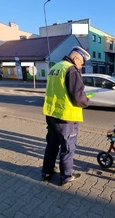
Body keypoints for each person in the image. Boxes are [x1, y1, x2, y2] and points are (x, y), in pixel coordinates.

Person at [42, 46, 91, 185]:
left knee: (52, 145)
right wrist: (87, 101)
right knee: (68, 147)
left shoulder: (55, 67)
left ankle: (47, 172)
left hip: (51, 114)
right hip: (65, 117)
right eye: (81, 62)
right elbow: (78, 96)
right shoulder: (71, 69)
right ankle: (66, 176)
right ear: (75, 58)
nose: (81, 66)